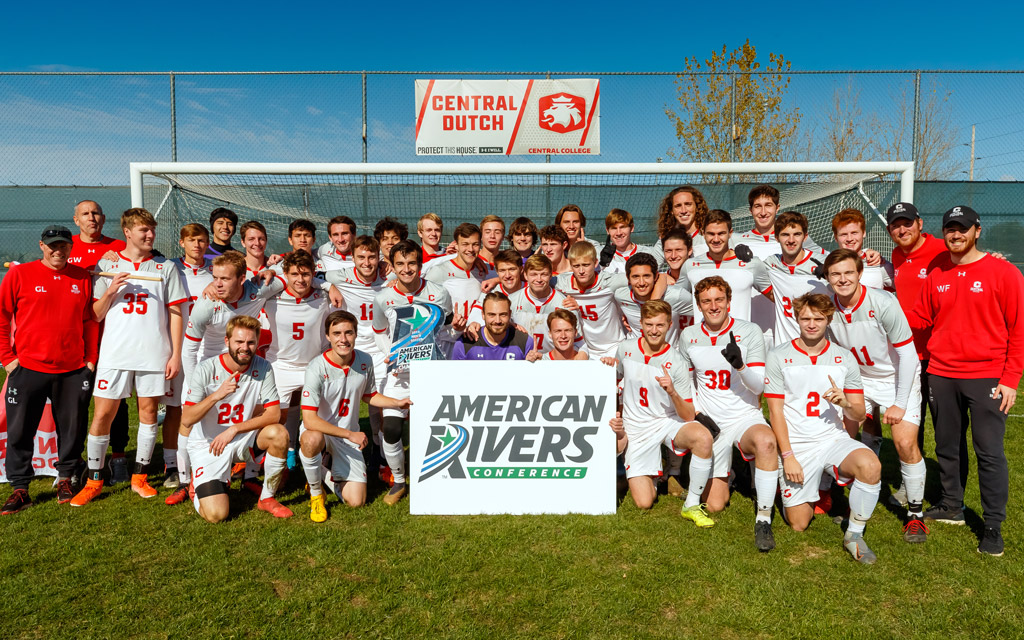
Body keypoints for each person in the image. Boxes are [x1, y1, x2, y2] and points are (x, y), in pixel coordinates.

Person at [908, 206, 1024, 557]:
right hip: (941, 373)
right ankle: (952, 505)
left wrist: (1011, 379)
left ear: (977, 230)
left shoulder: (1003, 272)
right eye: (949, 229)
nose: (955, 235)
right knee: (947, 445)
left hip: (987, 375)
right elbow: (920, 316)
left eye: (962, 229)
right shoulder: (937, 270)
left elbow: (1018, 330)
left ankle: (992, 525)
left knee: (988, 452)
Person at [71, 208, 188, 507]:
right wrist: (110, 290)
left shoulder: (166, 268)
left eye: (152, 230)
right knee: (102, 415)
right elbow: (95, 315)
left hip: (153, 354)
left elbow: (176, 313)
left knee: (149, 415)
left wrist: (175, 353)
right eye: (143, 231)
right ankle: (94, 480)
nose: (150, 235)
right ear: (128, 232)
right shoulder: (106, 264)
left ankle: (140, 477)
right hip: (115, 353)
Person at [765, 293, 880, 564]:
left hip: (832, 438)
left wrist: (845, 403)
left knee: (871, 465)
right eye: (805, 318)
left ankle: (854, 535)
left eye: (819, 318)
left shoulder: (844, 358)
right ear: (797, 319)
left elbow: (860, 413)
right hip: (798, 445)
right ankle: (805, 486)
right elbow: (775, 412)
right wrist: (788, 456)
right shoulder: (779, 355)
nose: (812, 324)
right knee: (799, 523)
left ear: (829, 319)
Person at [824, 248, 928, 543]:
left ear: (859, 273)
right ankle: (838, 496)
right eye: (835, 274)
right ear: (828, 278)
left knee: (905, 443)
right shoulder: (829, 307)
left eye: (848, 272)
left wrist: (899, 402)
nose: (842, 279)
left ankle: (915, 515)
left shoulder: (882, 301)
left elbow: (909, 356)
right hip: (859, 380)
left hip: (895, 377)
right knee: (842, 437)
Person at [0, 226, 98, 513]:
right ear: (41, 246)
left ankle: (66, 477)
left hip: (72, 369)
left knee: (72, 428)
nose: (59, 250)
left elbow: (89, 321)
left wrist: (89, 359)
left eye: (64, 246)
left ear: (70, 247)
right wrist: (8, 358)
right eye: (53, 245)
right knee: (20, 429)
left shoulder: (81, 277)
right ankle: (20, 488)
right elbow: (3, 317)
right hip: (28, 367)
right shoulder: (19, 274)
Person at [679, 276, 777, 551]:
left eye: (718, 299)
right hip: (712, 422)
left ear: (729, 301)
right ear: (698, 306)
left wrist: (741, 366)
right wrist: (698, 413)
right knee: (714, 505)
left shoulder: (750, 331)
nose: (713, 306)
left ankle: (764, 519)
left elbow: (760, 385)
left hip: (745, 416)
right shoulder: (689, 336)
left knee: (767, 442)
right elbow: (687, 385)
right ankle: (735, 474)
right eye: (706, 301)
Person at [605, 300, 715, 527]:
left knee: (703, 437)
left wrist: (673, 392)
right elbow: (611, 382)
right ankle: (654, 472)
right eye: (649, 324)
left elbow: (687, 416)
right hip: (636, 428)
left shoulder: (676, 361)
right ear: (641, 324)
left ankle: (691, 505)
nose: (654, 331)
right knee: (644, 502)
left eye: (660, 325)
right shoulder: (626, 349)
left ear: (669, 325)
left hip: (667, 421)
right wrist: (605, 367)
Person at [299, 310, 413, 521]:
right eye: (337, 333)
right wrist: (350, 435)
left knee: (356, 501)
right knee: (310, 438)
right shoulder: (316, 367)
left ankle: (321, 471)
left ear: (356, 334)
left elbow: (370, 396)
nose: (343, 339)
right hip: (322, 431)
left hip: (347, 437)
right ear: (328, 336)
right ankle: (316, 494)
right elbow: (309, 420)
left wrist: (396, 403)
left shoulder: (364, 360)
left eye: (349, 333)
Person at [372, 239, 462, 505]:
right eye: (400, 263)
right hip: (399, 375)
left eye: (412, 263)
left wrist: (455, 328)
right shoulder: (383, 297)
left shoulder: (439, 292)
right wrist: (391, 354)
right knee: (391, 428)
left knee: (438, 427)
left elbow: (443, 327)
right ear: (392, 265)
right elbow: (379, 332)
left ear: (420, 265)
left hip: (432, 371)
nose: (406, 269)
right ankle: (399, 481)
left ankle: (438, 474)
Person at [886, 201, 966, 497]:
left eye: (907, 222)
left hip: (940, 357)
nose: (902, 229)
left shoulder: (941, 250)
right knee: (910, 426)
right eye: (895, 224)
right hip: (907, 357)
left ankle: (952, 498)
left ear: (920, 224)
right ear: (889, 230)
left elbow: (970, 262)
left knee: (947, 432)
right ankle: (911, 484)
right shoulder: (895, 255)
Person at [182, 315, 292, 521]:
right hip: (208, 445)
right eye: (239, 342)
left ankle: (267, 499)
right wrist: (217, 394)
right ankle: (198, 484)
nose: (245, 347)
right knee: (216, 515)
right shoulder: (206, 368)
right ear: (227, 342)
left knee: (279, 433)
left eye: (251, 342)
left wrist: (234, 429)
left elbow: (274, 414)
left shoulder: (263, 367)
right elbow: (187, 419)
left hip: (240, 438)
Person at [68, 200, 132, 485]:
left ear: (103, 218)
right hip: (74, 339)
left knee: (115, 402)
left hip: (112, 338)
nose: (91, 218)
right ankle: (76, 461)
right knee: (75, 404)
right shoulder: (64, 246)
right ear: (76, 220)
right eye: (85, 214)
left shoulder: (119, 247)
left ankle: (118, 457)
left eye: (96, 213)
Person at [324, 236, 390, 482]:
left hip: (381, 350)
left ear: (379, 258)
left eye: (372, 257)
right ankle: (332, 454)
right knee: (339, 404)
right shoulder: (339, 276)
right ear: (352, 258)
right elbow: (311, 274)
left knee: (379, 406)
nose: (367, 262)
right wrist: (327, 286)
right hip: (348, 349)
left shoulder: (389, 277)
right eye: (361, 257)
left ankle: (381, 456)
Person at [263, 251, 331, 468]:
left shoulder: (323, 297)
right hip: (281, 364)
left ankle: (320, 459)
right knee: (277, 418)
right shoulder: (271, 296)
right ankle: (282, 455)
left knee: (320, 419)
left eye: (306, 274)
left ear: (313, 274)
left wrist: (328, 286)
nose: (300, 279)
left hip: (314, 364)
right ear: (285, 274)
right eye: (294, 274)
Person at [162, 223, 214, 503]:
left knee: (207, 407)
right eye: (192, 240)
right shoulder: (169, 268)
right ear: (181, 242)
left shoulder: (215, 273)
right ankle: (172, 464)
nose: (197, 245)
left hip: (208, 350)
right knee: (175, 409)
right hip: (178, 350)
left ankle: (206, 461)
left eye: (202, 240)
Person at [676, 209, 774, 323]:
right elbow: (676, 297)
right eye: (711, 234)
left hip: (740, 339)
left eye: (721, 233)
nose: (716, 239)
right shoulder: (690, 265)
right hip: (704, 340)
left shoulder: (751, 264)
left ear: (730, 233)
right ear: (703, 233)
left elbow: (779, 298)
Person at [761, 211, 829, 346]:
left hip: (819, 346)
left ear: (805, 237)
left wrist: (831, 273)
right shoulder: (771, 263)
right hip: (784, 347)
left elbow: (850, 273)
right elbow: (749, 269)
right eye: (785, 235)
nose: (791, 240)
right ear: (776, 237)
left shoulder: (823, 262)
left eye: (797, 234)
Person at [555, 242, 630, 361]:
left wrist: (663, 277)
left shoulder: (608, 282)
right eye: (576, 266)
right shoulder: (562, 283)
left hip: (614, 347)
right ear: (570, 265)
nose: (581, 271)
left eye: (586, 265)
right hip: (584, 349)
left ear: (595, 263)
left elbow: (641, 277)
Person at [424, 222, 493, 323]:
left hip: (475, 333)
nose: (470, 249)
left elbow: (508, 280)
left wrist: (498, 279)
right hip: (448, 336)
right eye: (465, 244)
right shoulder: (439, 271)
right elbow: (423, 304)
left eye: (475, 244)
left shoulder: (484, 270)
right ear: (456, 246)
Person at [615, 253, 692, 344]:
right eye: (636, 276)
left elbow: (703, 311)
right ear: (628, 278)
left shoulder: (676, 295)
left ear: (655, 276)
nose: (641, 282)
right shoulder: (620, 296)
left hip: (667, 355)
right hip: (636, 355)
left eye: (646, 276)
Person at [508, 254, 574, 356]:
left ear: (551, 275)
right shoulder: (511, 301)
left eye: (543, 274)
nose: (539, 279)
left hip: (552, 361)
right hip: (521, 359)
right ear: (525, 275)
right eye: (534, 274)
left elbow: (577, 341)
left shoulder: (564, 303)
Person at [453, 292, 534, 360]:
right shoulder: (465, 343)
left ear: (509, 314)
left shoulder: (524, 342)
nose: (497, 321)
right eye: (492, 315)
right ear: (483, 315)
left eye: (503, 315)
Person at [831, 209, 894, 290]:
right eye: (844, 234)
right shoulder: (828, 265)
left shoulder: (878, 263)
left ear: (864, 233)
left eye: (854, 233)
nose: (849, 239)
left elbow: (906, 287)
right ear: (836, 237)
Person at [651, 185, 709, 266]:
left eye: (688, 204)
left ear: (697, 207)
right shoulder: (667, 237)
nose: (683, 210)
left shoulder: (710, 235)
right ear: (671, 210)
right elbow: (650, 266)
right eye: (678, 206)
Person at [603, 209, 653, 274]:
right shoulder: (600, 255)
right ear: (607, 231)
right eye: (614, 228)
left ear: (632, 228)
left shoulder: (648, 253)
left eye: (623, 227)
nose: (618, 233)